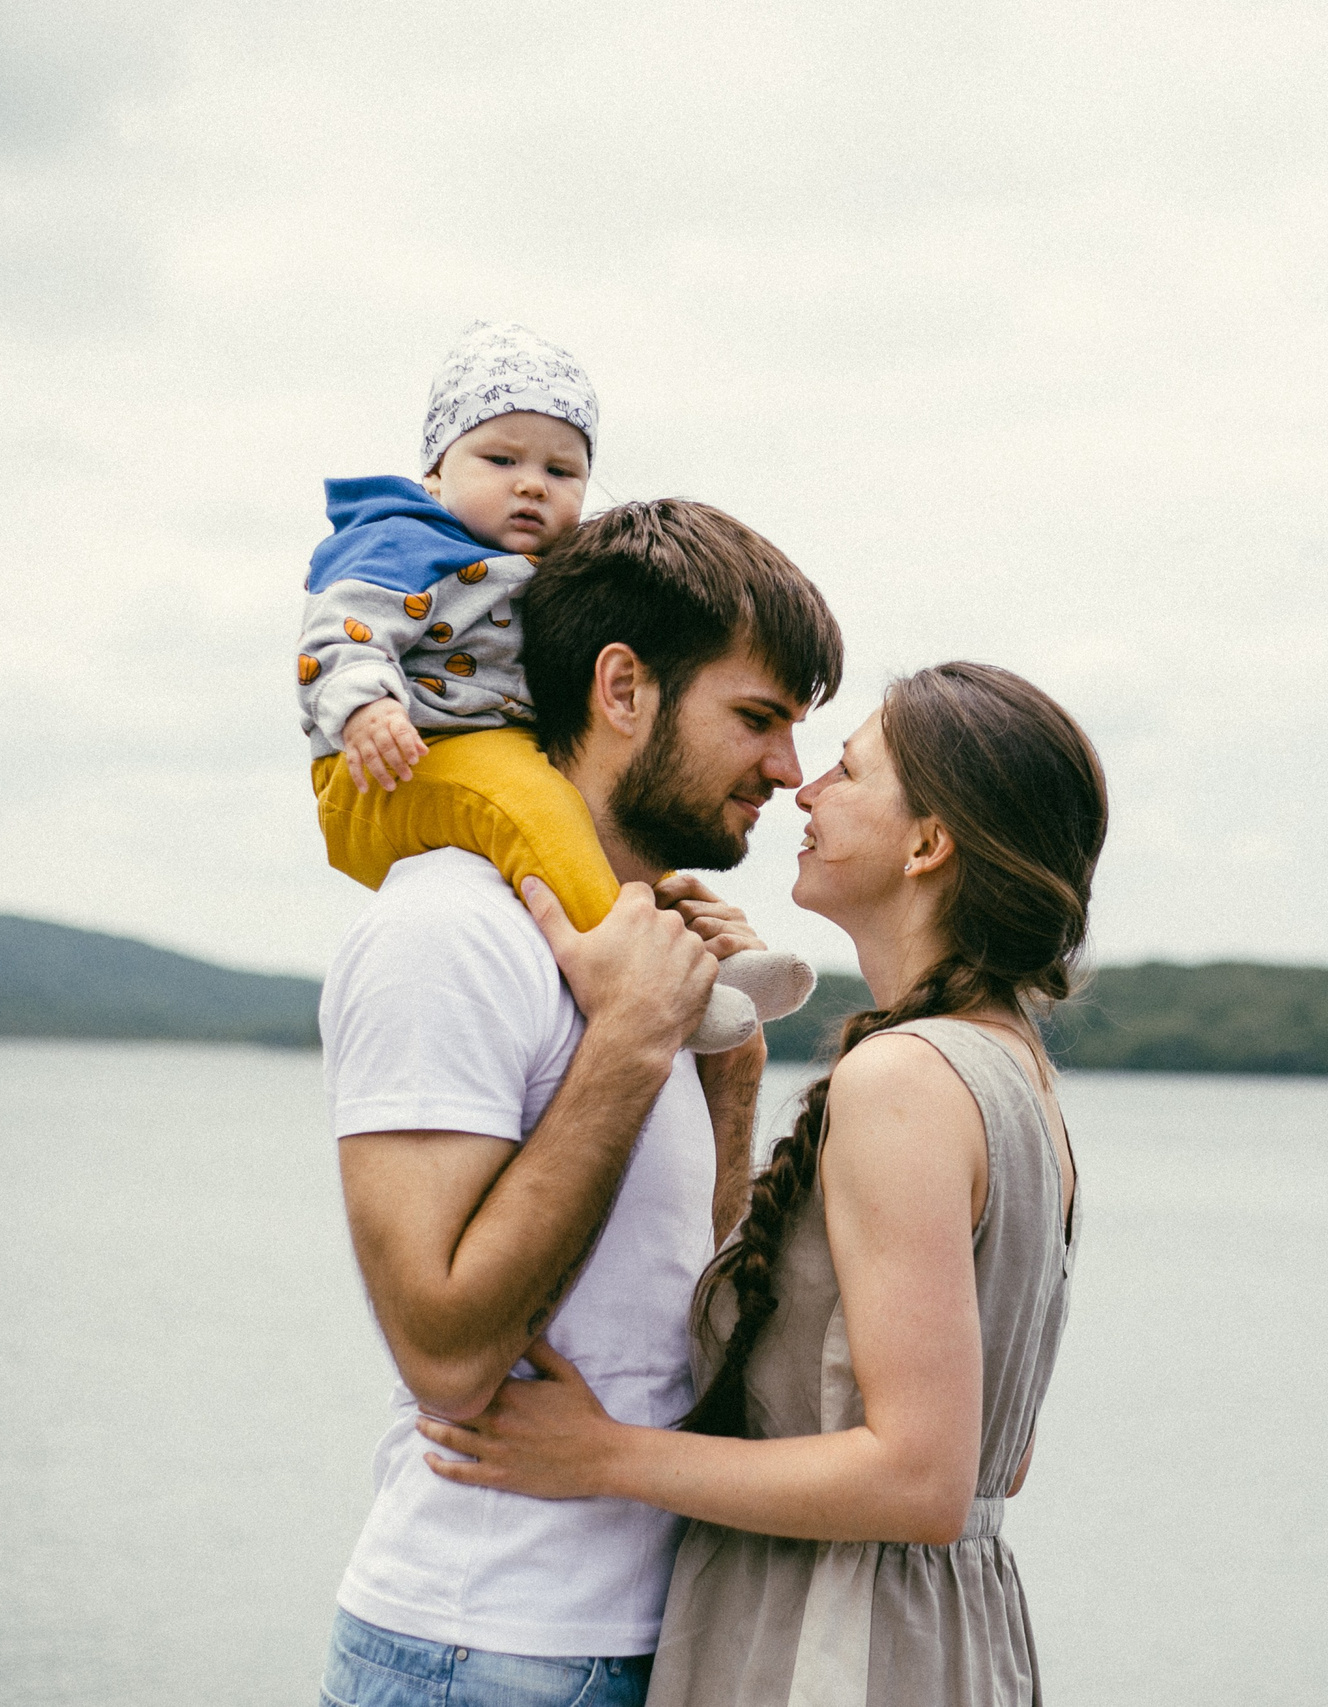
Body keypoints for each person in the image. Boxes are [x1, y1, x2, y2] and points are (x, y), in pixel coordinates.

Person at [414, 662, 1108, 1707]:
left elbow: (918, 1479)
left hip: (836, 1650)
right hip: (948, 1641)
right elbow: (990, 1465)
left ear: (928, 845)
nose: (805, 788)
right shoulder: (1013, 1073)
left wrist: (605, 1456)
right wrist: (726, 1057)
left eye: (848, 769)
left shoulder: (902, 1079)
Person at [316, 499, 844, 1707]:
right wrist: (629, 1045)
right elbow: (443, 1350)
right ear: (622, 689)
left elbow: (682, 1319)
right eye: (756, 719)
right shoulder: (445, 928)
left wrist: (726, 1070)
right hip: (482, 1650)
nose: (787, 771)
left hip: (655, 1637)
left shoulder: (639, 951)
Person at [297, 319, 816, 1053]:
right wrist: (368, 707)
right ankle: (657, 990)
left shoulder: (547, 570)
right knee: (539, 809)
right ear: (435, 475)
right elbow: (340, 627)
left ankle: (711, 964)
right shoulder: (401, 541)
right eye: (501, 458)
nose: (531, 484)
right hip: (395, 761)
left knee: (595, 831)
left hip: (489, 751)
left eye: (562, 472)